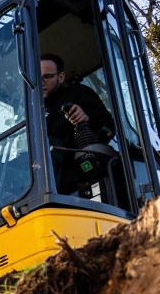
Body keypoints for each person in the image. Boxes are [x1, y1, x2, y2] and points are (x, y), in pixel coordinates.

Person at [40, 53, 115, 195]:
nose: (42, 82)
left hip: (73, 162)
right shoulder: (34, 111)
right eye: (38, 77)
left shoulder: (79, 93)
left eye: (47, 76)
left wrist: (87, 119)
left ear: (61, 77)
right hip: (45, 168)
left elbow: (108, 127)